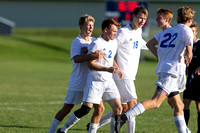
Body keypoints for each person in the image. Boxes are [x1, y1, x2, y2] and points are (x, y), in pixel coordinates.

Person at [115, 6, 195, 133]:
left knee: (179, 105)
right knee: (156, 102)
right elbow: (189, 53)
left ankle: (184, 131)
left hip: (165, 70)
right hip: (172, 73)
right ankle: (125, 117)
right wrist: (188, 62)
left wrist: (161, 57)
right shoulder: (187, 30)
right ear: (190, 19)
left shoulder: (169, 31)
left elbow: (149, 43)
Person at [57, 18, 123, 133]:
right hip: (95, 81)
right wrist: (107, 69)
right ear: (106, 30)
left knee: (118, 108)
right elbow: (90, 65)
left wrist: (118, 68)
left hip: (108, 81)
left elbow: (110, 58)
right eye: (113, 31)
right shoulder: (96, 43)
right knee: (86, 109)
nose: (115, 34)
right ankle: (63, 130)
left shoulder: (114, 42)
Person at [89, 6, 148, 133]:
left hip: (131, 74)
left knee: (124, 107)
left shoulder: (139, 31)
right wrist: (117, 68)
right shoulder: (123, 32)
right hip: (122, 74)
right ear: (134, 17)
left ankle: (97, 125)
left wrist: (161, 47)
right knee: (133, 104)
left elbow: (142, 44)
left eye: (144, 19)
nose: (142, 21)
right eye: (140, 18)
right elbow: (110, 48)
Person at [47, 14, 104, 133]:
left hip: (92, 82)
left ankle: (64, 130)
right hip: (78, 81)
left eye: (92, 26)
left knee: (100, 108)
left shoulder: (95, 41)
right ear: (81, 26)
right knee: (67, 108)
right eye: (88, 25)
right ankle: (51, 131)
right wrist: (90, 55)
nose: (90, 28)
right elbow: (76, 59)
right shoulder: (76, 42)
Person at [183, 22, 200, 133]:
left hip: (199, 79)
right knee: (185, 103)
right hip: (190, 78)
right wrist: (186, 67)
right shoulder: (188, 45)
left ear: (196, 32)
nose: (191, 33)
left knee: (199, 106)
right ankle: (184, 129)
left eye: (193, 31)